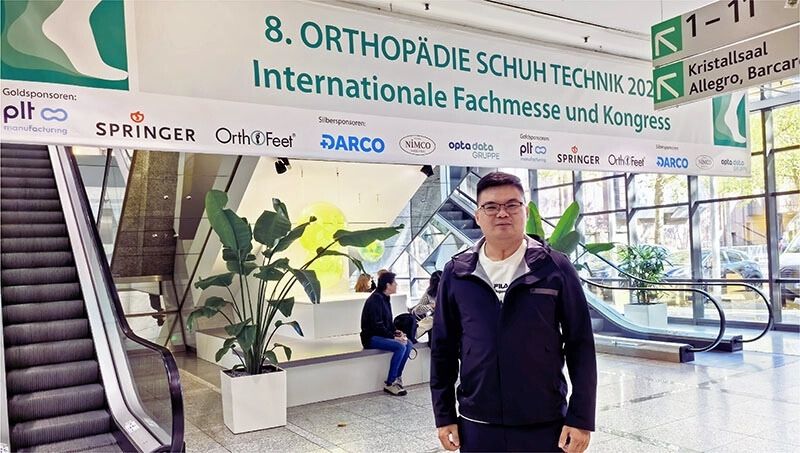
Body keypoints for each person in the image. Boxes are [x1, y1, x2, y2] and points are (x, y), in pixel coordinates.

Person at [430, 172, 597, 453]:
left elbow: (580, 344)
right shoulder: (457, 272)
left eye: (512, 205)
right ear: (478, 216)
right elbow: (442, 348)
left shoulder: (554, 268)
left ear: (525, 211)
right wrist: (444, 415)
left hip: (544, 420)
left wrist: (581, 418)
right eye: (491, 207)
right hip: (477, 421)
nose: (502, 213)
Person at [360, 271, 413, 396]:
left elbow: (388, 322)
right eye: (394, 282)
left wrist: (397, 332)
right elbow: (377, 326)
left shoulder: (385, 298)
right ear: (388, 285)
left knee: (408, 343)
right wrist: (393, 337)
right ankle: (390, 382)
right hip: (371, 337)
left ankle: (397, 377)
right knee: (400, 346)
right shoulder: (375, 300)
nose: (396, 285)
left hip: (381, 334)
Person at [410, 270, 442, 338]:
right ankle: (411, 336)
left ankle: (412, 336)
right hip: (434, 317)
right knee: (428, 321)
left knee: (430, 321)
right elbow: (418, 309)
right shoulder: (430, 292)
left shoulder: (451, 291)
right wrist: (431, 306)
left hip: (447, 318)